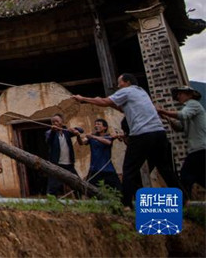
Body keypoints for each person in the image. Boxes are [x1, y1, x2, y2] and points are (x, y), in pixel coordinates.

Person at [73, 73, 180, 207]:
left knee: (129, 169)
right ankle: (183, 199)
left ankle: (126, 205)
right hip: (159, 133)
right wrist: (107, 103)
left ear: (127, 82)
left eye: (120, 83)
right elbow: (122, 108)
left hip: (142, 134)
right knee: (164, 167)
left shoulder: (126, 91)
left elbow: (105, 102)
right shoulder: (142, 92)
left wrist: (83, 98)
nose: (118, 86)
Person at [156, 86, 205, 201]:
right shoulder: (188, 108)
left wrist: (162, 111)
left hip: (199, 148)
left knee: (185, 176)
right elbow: (179, 127)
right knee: (199, 177)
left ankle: (184, 202)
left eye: (180, 94)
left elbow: (182, 115)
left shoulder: (193, 104)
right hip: (198, 148)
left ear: (189, 94)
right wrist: (166, 117)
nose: (178, 96)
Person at [76, 118, 121, 192]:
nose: (96, 126)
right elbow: (81, 143)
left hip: (107, 169)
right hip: (94, 169)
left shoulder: (109, 136)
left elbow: (108, 142)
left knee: (118, 190)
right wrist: (78, 136)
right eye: (95, 124)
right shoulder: (91, 138)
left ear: (105, 127)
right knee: (89, 191)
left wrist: (93, 137)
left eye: (99, 124)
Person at [44, 113, 81, 197]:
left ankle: (80, 201)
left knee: (77, 185)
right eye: (53, 122)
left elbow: (81, 130)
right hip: (56, 165)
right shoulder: (49, 132)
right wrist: (53, 131)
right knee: (53, 187)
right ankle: (52, 202)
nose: (55, 123)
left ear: (62, 122)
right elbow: (48, 141)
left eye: (57, 121)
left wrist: (75, 130)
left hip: (69, 164)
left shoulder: (67, 132)